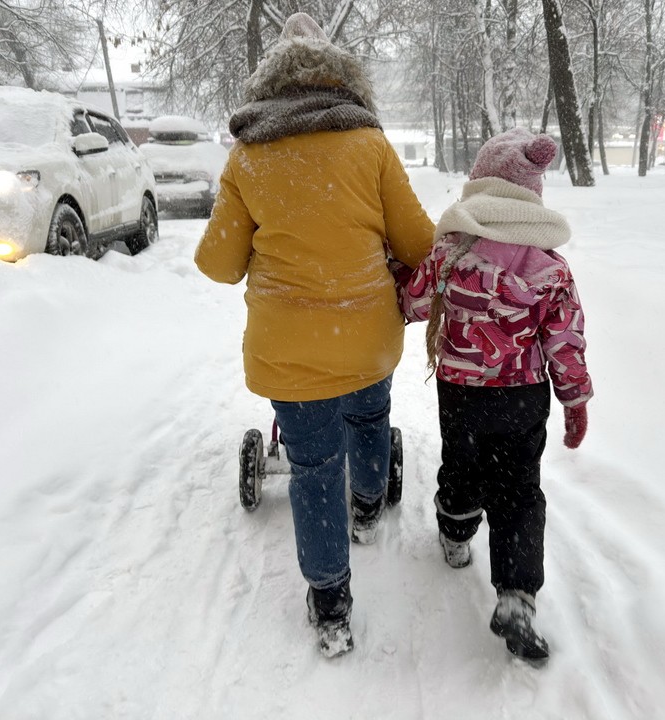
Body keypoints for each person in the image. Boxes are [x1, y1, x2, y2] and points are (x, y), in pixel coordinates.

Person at [194, 13, 434, 658]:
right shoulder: (370, 144)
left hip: (290, 346)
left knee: (310, 466)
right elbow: (420, 243)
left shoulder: (248, 155)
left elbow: (217, 263)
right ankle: (366, 506)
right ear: (341, 77)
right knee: (369, 414)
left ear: (269, 84)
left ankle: (330, 601)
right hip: (365, 332)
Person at [395, 128, 593, 664]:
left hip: (461, 392)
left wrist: (400, 280)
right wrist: (574, 400)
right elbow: (565, 340)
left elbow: (414, 305)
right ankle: (516, 595)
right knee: (518, 489)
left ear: (479, 187)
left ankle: (456, 532)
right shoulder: (550, 266)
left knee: (461, 464)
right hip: (524, 396)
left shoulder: (451, 251)